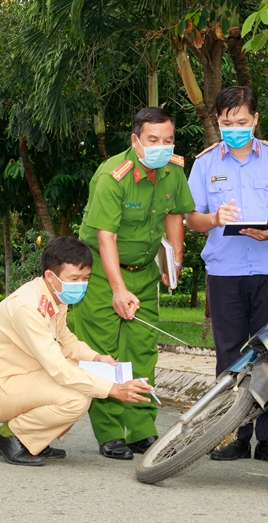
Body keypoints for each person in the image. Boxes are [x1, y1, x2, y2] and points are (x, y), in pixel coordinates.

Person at [186, 86, 268, 466]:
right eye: (227, 123)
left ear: (255, 120)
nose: (234, 128)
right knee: (230, 353)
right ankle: (232, 434)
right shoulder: (205, 163)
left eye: (241, 122)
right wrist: (214, 219)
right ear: (218, 122)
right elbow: (191, 218)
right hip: (225, 270)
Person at [75, 107, 195, 460]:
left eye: (168, 140)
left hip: (143, 271)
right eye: (153, 140)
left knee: (142, 351)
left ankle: (141, 429)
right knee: (103, 352)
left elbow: (175, 215)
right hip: (100, 272)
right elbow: (105, 236)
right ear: (135, 140)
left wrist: (172, 259)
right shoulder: (112, 176)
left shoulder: (173, 172)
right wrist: (116, 288)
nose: (162, 146)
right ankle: (110, 432)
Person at [0, 237, 154, 466]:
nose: (81, 284)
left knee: (81, 381)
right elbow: (58, 368)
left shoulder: (54, 297)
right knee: (76, 397)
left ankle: (35, 439)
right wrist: (113, 389)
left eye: (86, 278)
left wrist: (97, 358)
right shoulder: (28, 306)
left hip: (21, 380)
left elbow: (65, 340)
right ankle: (12, 437)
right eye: (74, 278)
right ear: (50, 275)